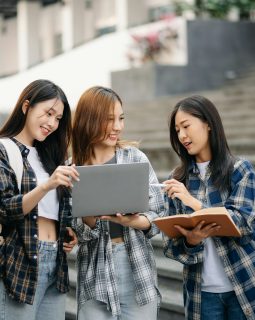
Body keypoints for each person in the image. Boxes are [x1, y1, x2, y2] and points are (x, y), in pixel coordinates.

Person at [71, 86, 164, 320]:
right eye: (109, 119)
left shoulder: (134, 158)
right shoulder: (72, 169)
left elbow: (158, 214)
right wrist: (92, 212)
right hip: (95, 274)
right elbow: (77, 232)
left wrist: (132, 221)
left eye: (121, 118)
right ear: (89, 120)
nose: (118, 127)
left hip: (137, 269)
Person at [162, 95, 255, 320]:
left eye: (186, 126)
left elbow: (242, 224)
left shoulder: (240, 170)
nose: (182, 135)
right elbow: (170, 247)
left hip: (242, 286)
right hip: (201, 295)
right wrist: (191, 241)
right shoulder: (177, 179)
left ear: (208, 124)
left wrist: (192, 203)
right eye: (177, 130)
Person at [0, 79, 79, 320]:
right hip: (20, 263)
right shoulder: (4, 149)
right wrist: (47, 185)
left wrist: (67, 231)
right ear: (26, 106)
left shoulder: (51, 157)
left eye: (58, 118)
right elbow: (5, 209)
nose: (52, 124)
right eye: (48, 113)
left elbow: (54, 210)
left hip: (55, 263)